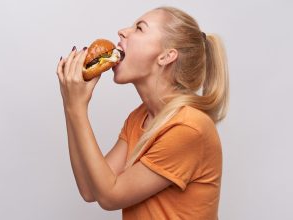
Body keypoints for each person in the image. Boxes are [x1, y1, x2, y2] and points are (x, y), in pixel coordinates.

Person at [56, 6, 229, 220]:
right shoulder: (140, 117)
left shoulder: (189, 127)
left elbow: (110, 196)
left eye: (139, 28)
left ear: (166, 56)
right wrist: (70, 104)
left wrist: (77, 109)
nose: (121, 31)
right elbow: (90, 189)